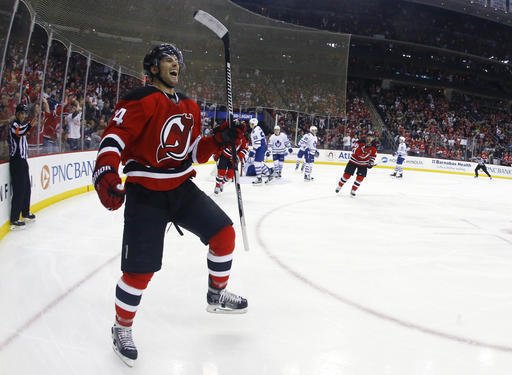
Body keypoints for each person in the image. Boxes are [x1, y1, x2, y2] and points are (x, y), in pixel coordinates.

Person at [92, 43, 248, 367]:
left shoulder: (190, 106)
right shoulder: (140, 100)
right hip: (145, 193)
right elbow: (113, 139)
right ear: (152, 68)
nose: (175, 64)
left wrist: (217, 141)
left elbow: (191, 154)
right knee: (139, 272)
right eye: (167, 60)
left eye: (178, 60)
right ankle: (121, 328)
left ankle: (216, 294)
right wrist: (106, 170)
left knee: (224, 234)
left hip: (180, 187)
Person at [8, 104, 36, 230]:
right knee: (19, 190)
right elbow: (21, 132)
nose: (24, 115)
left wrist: (30, 125)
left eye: (25, 113)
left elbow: (25, 131)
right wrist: (30, 124)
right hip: (17, 161)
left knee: (26, 188)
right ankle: (14, 219)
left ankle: (25, 213)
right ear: (17, 113)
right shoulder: (14, 125)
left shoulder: (20, 124)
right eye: (22, 113)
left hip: (23, 161)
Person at [213, 127, 248, 194]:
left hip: (233, 158)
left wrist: (237, 157)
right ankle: (217, 185)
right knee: (221, 172)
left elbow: (244, 149)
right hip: (224, 156)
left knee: (230, 174)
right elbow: (221, 144)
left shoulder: (243, 139)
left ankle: (222, 183)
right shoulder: (229, 133)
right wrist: (217, 153)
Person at [248, 117, 273, 184]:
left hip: (260, 147)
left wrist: (253, 151)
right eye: (250, 123)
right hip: (262, 147)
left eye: (252, 124)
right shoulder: (258, 128)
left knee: (257, 163)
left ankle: (260, 178)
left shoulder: (254, 131)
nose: (250, 125)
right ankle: (267, 176)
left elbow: (257, 143)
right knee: (259, 163)